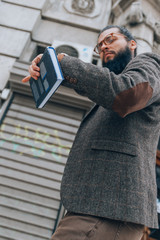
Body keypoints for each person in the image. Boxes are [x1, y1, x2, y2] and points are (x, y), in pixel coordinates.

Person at [22, 25, 160, 240]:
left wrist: (65, 63)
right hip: (99, 208)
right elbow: (107, 86)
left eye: (111, 39)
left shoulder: (149, 63)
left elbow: (127, 93)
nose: (104, 45)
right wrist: (55, 70)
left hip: (107, 209)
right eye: (99, 45)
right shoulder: (108, 89)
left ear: (132, 44)